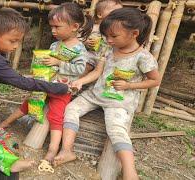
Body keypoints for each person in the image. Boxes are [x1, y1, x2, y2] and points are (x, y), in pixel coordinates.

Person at [54, 8, 161, 180]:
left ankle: (130, 172)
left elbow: (155, 81)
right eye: (106, 36)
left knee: (116, 129)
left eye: (114, 36)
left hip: (119, 102)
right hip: (96, 94)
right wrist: (81, 81)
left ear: (134, 33)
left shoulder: (143, 57)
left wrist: (129, 85)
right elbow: (98, 72)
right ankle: (67, 150)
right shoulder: (109, 49)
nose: (108, 40)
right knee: (71, 109)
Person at [0, 2, 94, 164]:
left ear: (74, 26)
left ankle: (52, 149)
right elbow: (46, 65)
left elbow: (79, 70)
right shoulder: (55, 45)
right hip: (44, 85)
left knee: (56, 117)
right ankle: (5, 123)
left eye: (57, 27)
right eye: (52, 27)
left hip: (62, 90)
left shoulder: (79, 49)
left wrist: (58, 63)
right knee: (28, 104)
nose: (53, 30)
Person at [0, 7, 69, 111]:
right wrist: (60, 88)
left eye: (18, 41)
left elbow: (12, 78)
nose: (16, 46)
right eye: (13, 41)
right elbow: (22, 82)